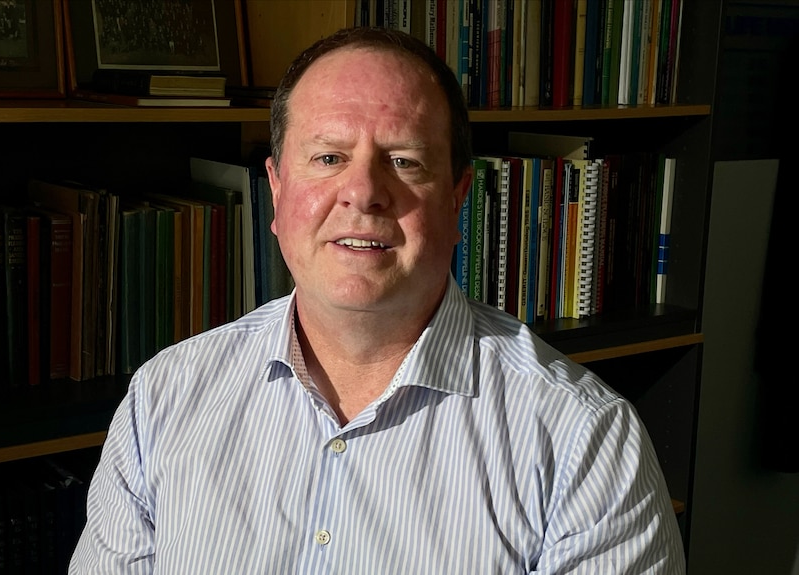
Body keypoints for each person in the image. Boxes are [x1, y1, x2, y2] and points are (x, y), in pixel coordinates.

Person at [69, 26, 685, 574]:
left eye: (403, 160)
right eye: (329, 157)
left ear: (456, 197)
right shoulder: (165, 399)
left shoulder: (584, 440)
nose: (363, 192)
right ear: (277, 190)